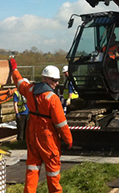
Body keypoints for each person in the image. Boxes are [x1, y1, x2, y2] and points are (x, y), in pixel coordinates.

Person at [9, 59, 73, 193]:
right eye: (54, 80)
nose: (57, 83)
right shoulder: (52, 98)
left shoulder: (30, 90)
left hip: (32, 134)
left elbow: (19, 82)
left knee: (32, 168)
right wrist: (68, 140)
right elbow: (61, 124)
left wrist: (14, 69)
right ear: (46, 79)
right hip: (47, 137)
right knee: (53, 171)